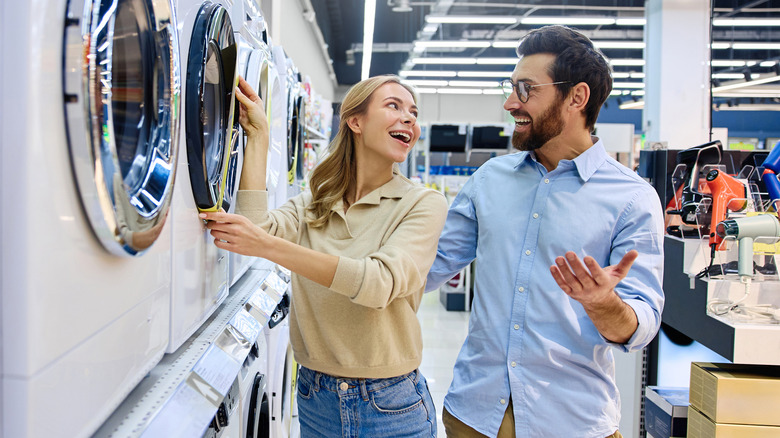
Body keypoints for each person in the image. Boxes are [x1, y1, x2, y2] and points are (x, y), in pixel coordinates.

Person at [426, 25, 665, 438]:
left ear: (577, 97)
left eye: (525, 89)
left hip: (573, 422)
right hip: (474, 415)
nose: (509, 102)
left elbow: (640, 326)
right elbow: (425, 268)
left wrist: (602, 303)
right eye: (511, 87)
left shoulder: (632, 198)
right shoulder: (490, 180)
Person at [200, 74, 447, 437]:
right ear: (355, 121)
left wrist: (267, 245)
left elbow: (378, 284)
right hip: (316, 397)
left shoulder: (422, 204)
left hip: (389, 404)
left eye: (413, 112)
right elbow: (255, 230)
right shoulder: (317, 201)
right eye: (394, 106)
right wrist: (259, 136)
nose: (409, 118)